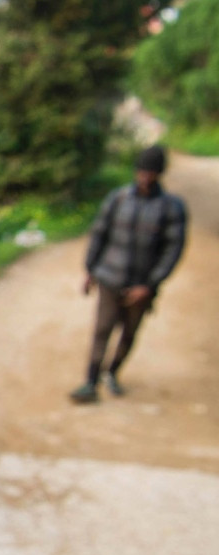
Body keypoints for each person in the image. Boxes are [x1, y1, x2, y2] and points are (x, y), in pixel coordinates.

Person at [70, 144, 187, 403]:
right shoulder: (119, 198)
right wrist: (90, 269)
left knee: (129, 333)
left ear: (159, 174)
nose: (145, 177)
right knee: (102, 329)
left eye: (150, 173)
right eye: (142, 171)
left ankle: (112, 372)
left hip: (142, 284)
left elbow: (172, 250)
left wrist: (150, 284)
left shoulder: (171, 207)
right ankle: (90, 381)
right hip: (110, 277)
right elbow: (100, 232)